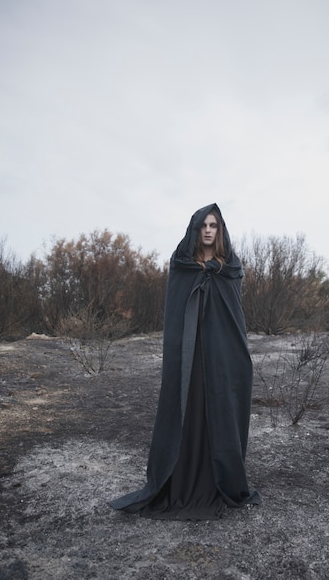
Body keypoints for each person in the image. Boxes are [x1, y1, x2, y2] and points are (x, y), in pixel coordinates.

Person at [109, 203, 260, 520]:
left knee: (218, 412)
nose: (208, 230)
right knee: (187, 411)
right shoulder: (182, 265)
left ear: (220, 231)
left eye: (213, 226)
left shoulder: (230, 268)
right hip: (189, 357)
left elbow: (234, 319)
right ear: (195, 229)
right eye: (203, 225)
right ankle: (179, 480)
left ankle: (216, 479)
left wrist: (237, 356)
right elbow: (176, 316)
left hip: (220, 357)